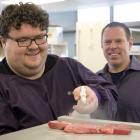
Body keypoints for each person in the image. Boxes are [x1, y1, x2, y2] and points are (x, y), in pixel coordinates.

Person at [0, 3, 117, 135]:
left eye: (39, 37)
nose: (33, 46)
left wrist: (95, 96)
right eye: (23, 40)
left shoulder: (69, 67)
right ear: (3, 42)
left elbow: (110, 91)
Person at [98, 21, 140, 123]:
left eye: (118, 41)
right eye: (107, 42)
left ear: (129, 44)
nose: (112, 46)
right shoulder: (95, 80)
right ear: (102, 45)